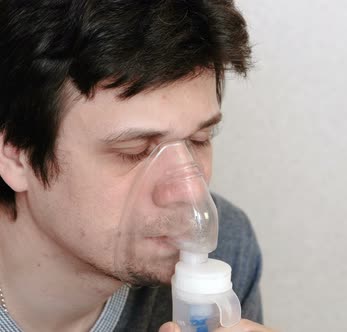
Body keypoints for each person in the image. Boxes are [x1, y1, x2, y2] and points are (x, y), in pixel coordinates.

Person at [0, 1, 272, 331]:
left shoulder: (229, 248)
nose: (190, 191)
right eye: (136, 151)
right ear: (14, 154)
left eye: (200, 139)